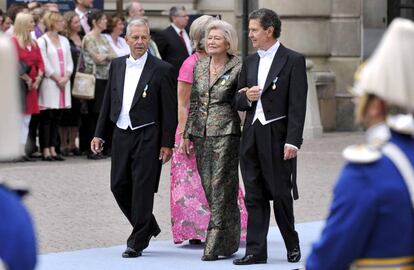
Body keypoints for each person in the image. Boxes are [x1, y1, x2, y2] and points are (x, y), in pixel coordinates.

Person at [306, 18, 414, 270]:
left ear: (376, 105)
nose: (356, 102)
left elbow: (330, 256)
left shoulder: (367, 170)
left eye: (360, 96)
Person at [91, 18, 177, 258]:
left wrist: (167, 143)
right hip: (121, 132)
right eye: (135, 38)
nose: (140, 42)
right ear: (126, 40)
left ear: (148, 39)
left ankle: (137, 240)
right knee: (118, 185)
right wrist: (100, 134)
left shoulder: (163, 69)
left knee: (142, 188)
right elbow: (108, 100)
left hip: (148, 134)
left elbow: (169, 111)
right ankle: (148, 225)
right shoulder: (117, 65)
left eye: (144, 37)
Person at [232, 8, 308, 265]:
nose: (250, 34)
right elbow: (238, 100)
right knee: (254, 194)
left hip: (277, 134)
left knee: (281, 193)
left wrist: (293, 141)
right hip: (251, 133)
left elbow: (298, 105)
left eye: (254, 30)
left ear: (269, 30)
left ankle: (292, 243)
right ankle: (255, 251)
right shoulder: (249, 61)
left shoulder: (293, 60)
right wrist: (245, 97)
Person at [181, 20, 244, 261]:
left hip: (226, 132)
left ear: (228, 42)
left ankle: (215, 240)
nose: (211, 42)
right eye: (209, 38)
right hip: (200, 132)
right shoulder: (200, 66)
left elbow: (242, 102)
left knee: (221, 186)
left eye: (217, 38)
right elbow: (194, 102)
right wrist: (187, 133)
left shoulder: (239, 66)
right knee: (210, 186)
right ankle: (230, 238)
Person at [38, 11, 73, 161]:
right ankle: (45, 149)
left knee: (57, 117)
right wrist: (56, 77)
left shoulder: (64, 40)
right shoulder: (42, 40)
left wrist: (66, 76)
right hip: (50, 83)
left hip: (63, 83)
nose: (63, 24)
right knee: (47, 116)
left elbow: (70, 61)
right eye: (59, 21)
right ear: (52, 23)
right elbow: (44, 62)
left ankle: (53, 148)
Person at [82, 10, 117, 159]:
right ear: (95, 21)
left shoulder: (104, 37)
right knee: (93, 114)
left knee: (103, 113)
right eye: (103, 19)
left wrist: (106, 57)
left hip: (105, 78)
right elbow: (96, 58)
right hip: (93, 79)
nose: (105, 22)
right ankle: (91, 148)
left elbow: (114, 55)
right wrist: (105, 57)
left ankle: (102, 147)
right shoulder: (89, 38)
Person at [11, 12, 44, 162]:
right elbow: (13, 63)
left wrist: (38, 78)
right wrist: (26, 79)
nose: (34, 25)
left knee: (26, 119)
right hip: (19, 85)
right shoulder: (13, 42)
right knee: (17, 118)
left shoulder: (34, 43)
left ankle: (22, 149)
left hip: (32, 86)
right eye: (31, 22)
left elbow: (40, 62)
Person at [59, 11, 82, 156]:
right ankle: (63, 144)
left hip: (80, 78)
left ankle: (73, 143)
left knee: (77, 112)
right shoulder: (64, 38)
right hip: (69, 76)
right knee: (65, 112)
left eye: (79, 21)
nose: (78, 24)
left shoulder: (81, 36)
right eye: (75, 22)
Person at [154, 6, 192, 77]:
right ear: (174, 18)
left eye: (187, 15)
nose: (187, 18)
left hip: (191, 75)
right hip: (174, 76)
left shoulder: (189, 31)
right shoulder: (164, 35)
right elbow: (159, 57)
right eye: (184, 16)